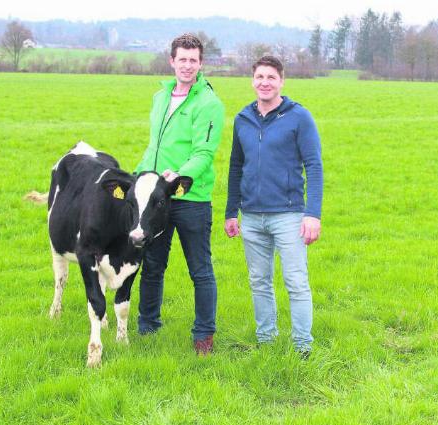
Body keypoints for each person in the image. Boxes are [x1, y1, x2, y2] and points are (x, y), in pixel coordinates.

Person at [224, 55, 323, 357]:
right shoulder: (243, 119)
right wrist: (231, 211)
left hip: (289, 215)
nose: (264, 83)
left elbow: (314, 166)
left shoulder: (298, 117)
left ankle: (303, 346)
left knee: (295, 281)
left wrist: (312, 214)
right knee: (259, 281)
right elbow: (235, 166)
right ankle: (266, 339)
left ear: (282, 81)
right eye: (259, 77)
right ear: (252, 80)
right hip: (252, 215)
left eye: (271, 77)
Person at [135, 33, 224, 355]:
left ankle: (203, 335)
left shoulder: (208, 102)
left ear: (201, 64)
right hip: (158, 198)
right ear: (172, 61)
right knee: (153, 263)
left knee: (199, 268)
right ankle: (147, 327)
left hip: (191, 197)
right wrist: (139, 175)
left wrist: (181, 174)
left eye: (193, 60)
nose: (187, 65)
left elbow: (204, 152)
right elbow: (154, 147)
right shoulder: (161, 97)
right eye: (182, 59)